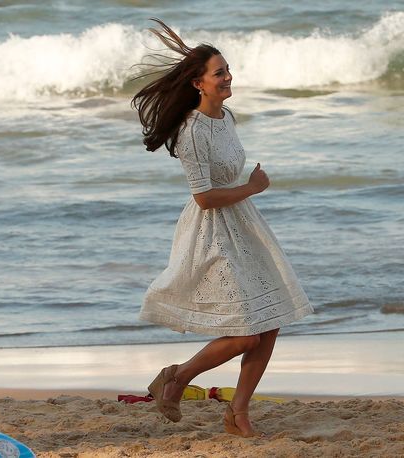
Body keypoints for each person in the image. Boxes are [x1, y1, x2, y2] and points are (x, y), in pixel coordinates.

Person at [130, 19, 314, 438]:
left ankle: (238, 413)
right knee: (246, 333)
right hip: (212, 233)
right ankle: (177, 376)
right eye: (219, 72)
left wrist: (247, 192)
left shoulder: (226, 116)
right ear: (198, 83)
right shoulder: (191, 132)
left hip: (244, 226)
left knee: (270, 321)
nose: (228, 77)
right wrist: (252, 187)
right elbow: (204, 198)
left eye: (228, 70)